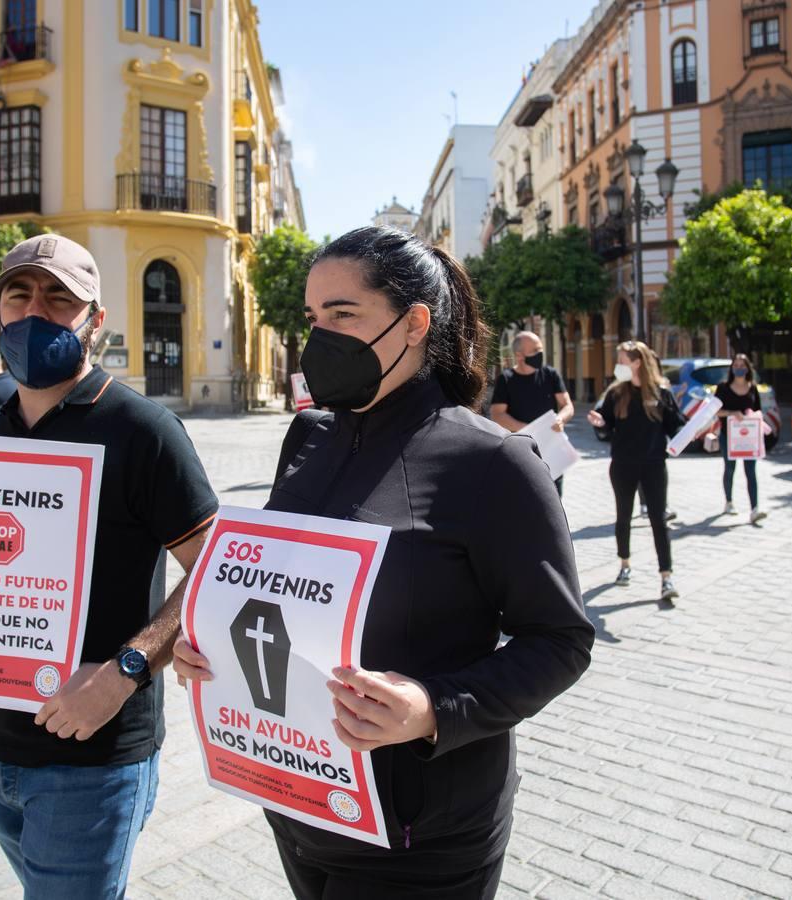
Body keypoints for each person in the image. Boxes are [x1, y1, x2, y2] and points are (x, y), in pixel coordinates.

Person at [173, 226, 593, 899]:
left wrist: (431, 707)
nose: (319, 337)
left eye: (342, 314)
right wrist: (209, 648)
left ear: (412, 325)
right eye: (313, 318)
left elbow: (560, 641)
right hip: (300, 800)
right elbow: (282, 592)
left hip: (420, 833)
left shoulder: (491, 462)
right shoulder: (307, 437)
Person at [0, 234, 218, 899]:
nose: (36, 310)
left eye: (60, 298)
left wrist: (126, 671)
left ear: (94, 322)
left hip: (93, 757)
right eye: (20, 294)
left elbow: (217, 568)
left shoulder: (143, 430)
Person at [587, 340, 686, 602]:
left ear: (636, 362)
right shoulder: (616, 393)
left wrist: (702, 434)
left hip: (654, 465)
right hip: (622, 465)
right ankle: (624, 564)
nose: (617, 365)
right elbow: (606, 428)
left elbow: (676, 427)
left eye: (621, 360)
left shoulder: (661, 393)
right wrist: (600, 423)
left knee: (658, 519)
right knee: (624, 516)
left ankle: (666, 577)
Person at [488, 330, 574, 493]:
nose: (540, 354)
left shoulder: (550, 374)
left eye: (540, 349)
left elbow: (567, 405)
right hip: (521, 452)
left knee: (555, 499)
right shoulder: (506, 380)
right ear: (519, 355)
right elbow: (497, 414)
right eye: (535, 350)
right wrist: (530, 430)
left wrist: (561, 419)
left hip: (551, 452)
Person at [715, 352, 767, 525]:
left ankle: (755, 509)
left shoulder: (753, 388)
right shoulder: (722, 388)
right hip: (728, 437)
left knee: (751, 472)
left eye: (742, 365)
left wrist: (751, 417)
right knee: (730, 469)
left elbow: (759, 411)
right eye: (735, 365)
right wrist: (732, 413)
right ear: (732, 368)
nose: (739, 369)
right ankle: (729, 502)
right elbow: (716, 411)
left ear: (748, 368)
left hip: (749, 438)